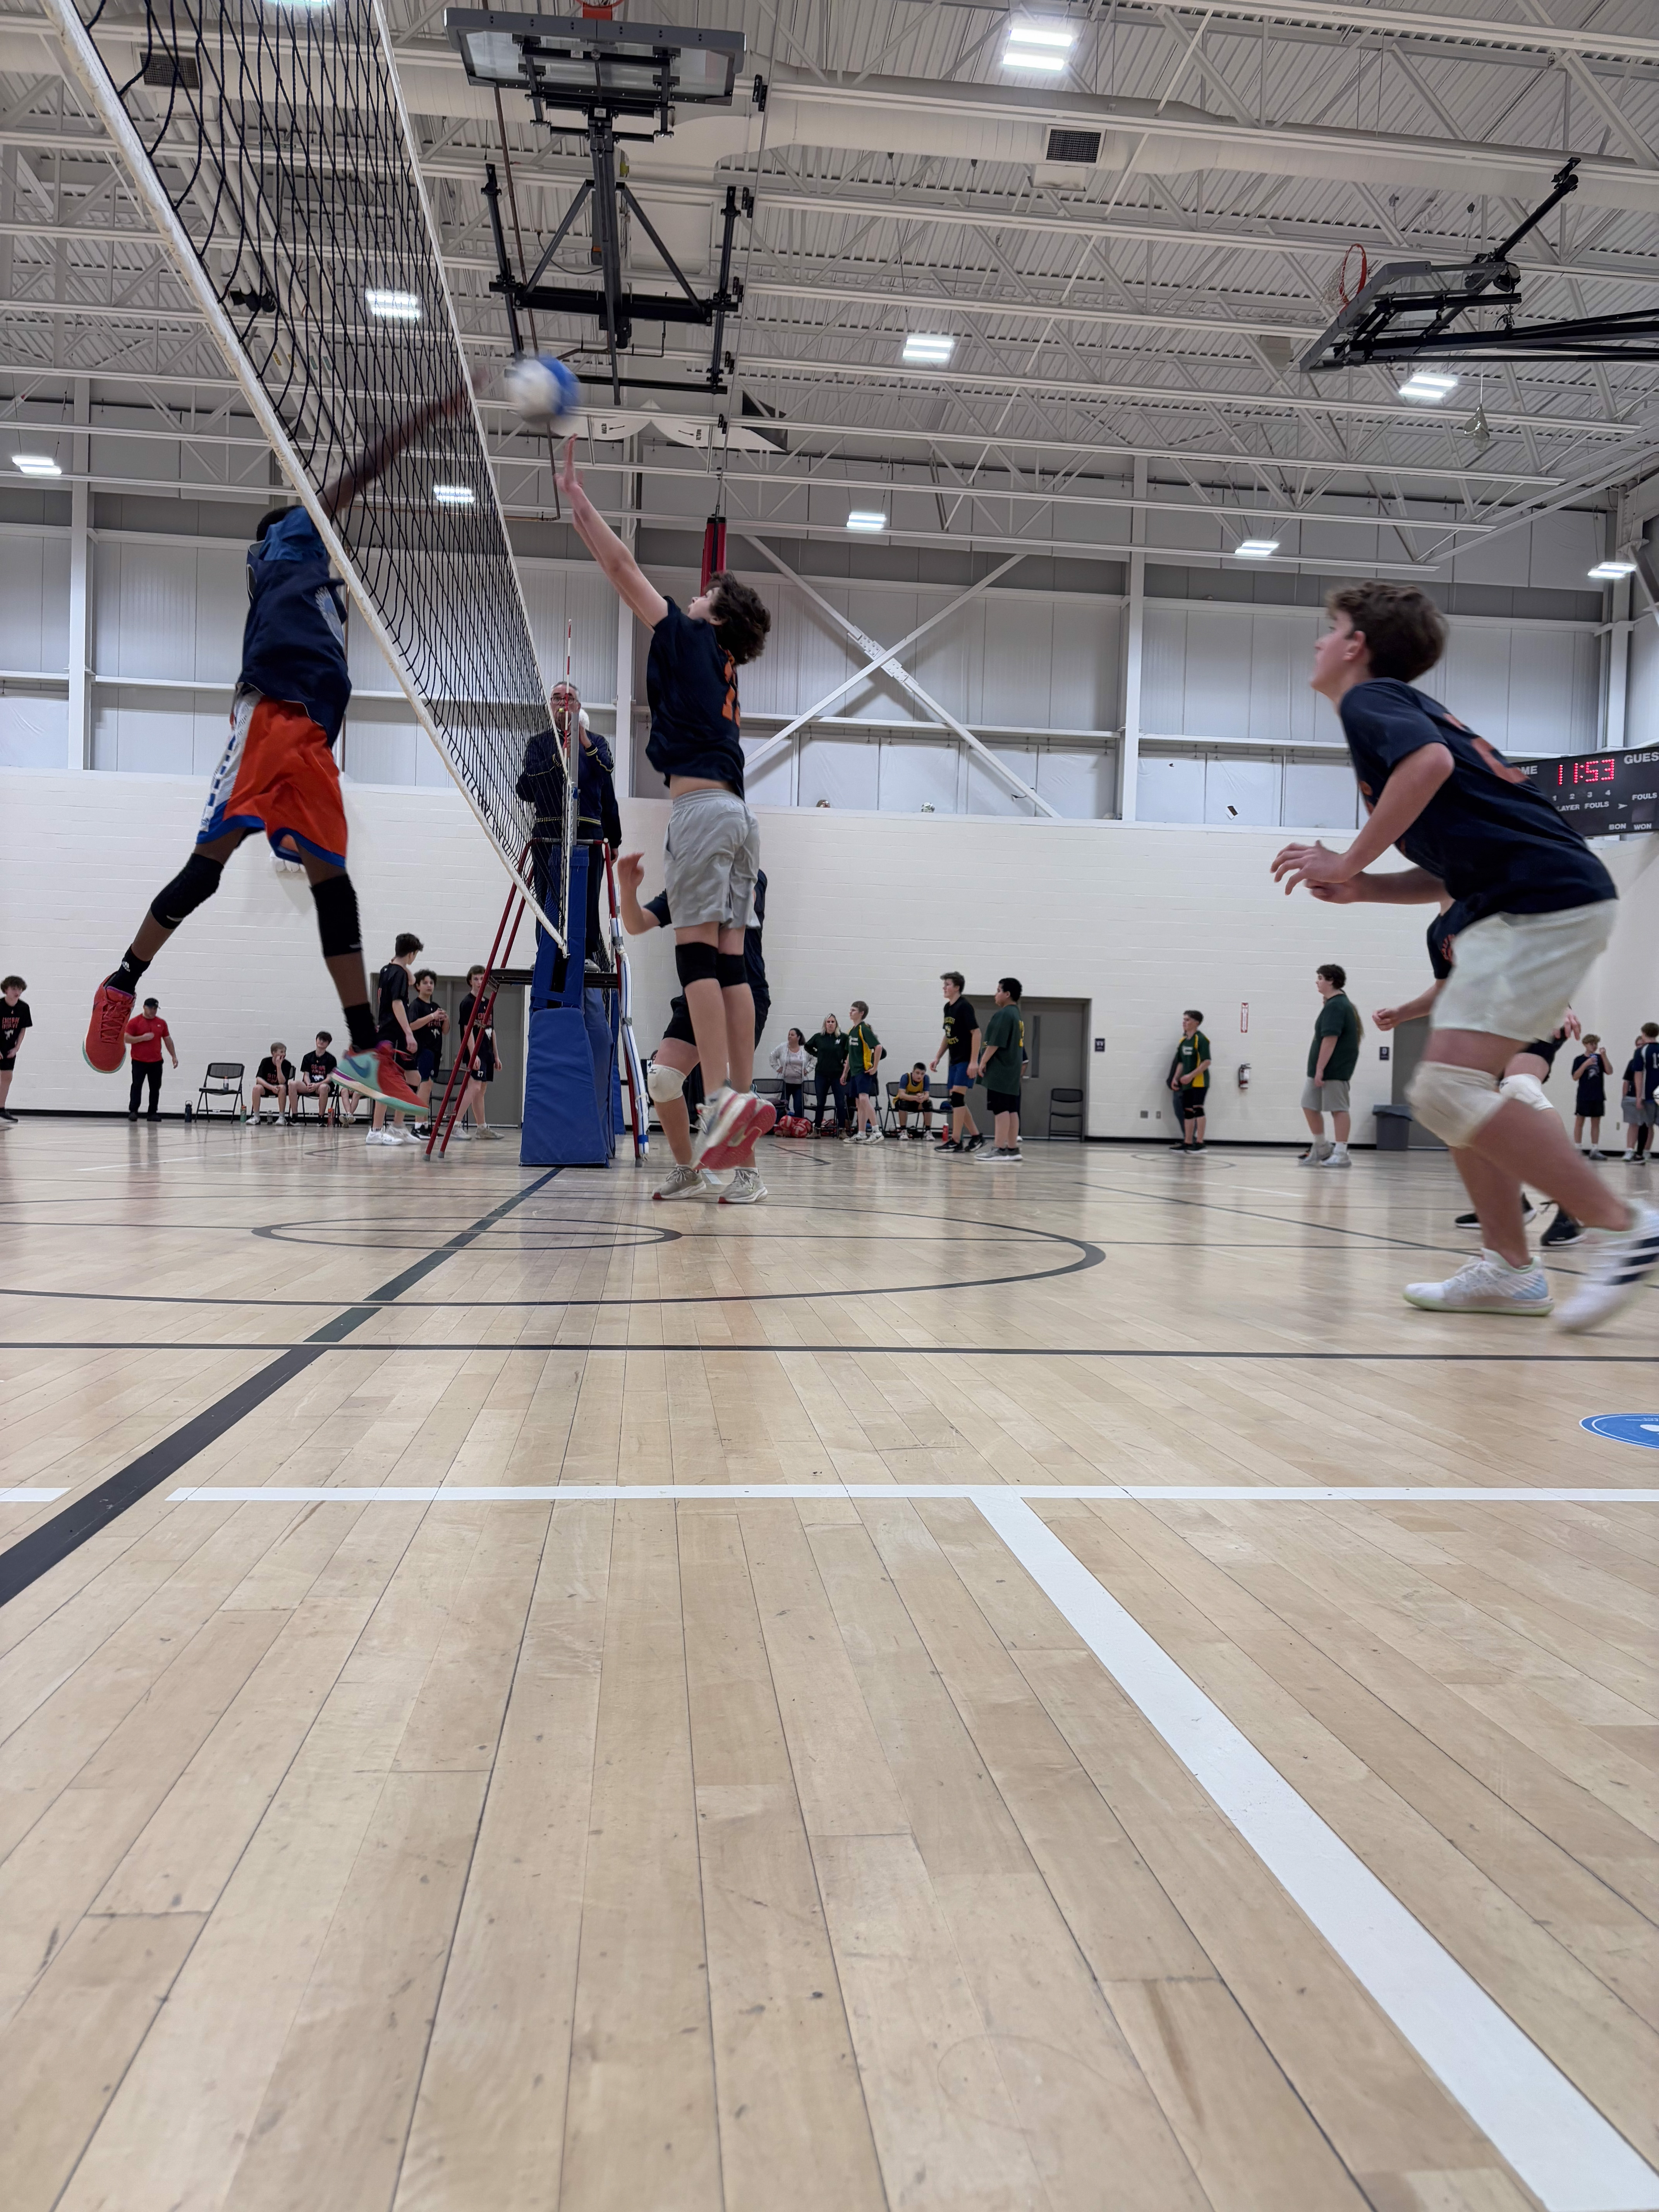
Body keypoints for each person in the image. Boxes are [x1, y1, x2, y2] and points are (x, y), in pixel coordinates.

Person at [1275, 578, 1657, 1329]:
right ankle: (1511, 1270)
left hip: (1540, 895)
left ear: (1357, 645)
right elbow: (1451, 867)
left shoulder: (1370, 702)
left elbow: (1430, 770)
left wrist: (1347, 862)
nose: (1319, 642)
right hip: (1523, 896)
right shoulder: (1401, 714)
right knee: (1454, 1093)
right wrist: (1366, 890)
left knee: (1448, 1090)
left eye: (1330, 628)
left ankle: (1625, 1222)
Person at [79, 393, 462, 1120]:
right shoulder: (288, 539)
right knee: (210, 867)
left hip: (313, 734)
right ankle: (122, 982)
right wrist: (416, 422)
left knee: (333, 883)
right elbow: (356, 475)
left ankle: (363, 1049)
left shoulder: (321, 587)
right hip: (270, 715)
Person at [557, 437, 773, 1171]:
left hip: (703, 815)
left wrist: (580, 504)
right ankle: (738, 1095)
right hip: (740, 816)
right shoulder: (722, 666)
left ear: (715, 614)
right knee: (733, 960)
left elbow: (621, 570)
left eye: (707, 591)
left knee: (695, 959)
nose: (694, 593)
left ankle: (721, 1101)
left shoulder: (687, 638)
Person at [617, 852, 770, 1204]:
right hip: (697, 993)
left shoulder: (749, 874)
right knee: (662, 1077)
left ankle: (749, 1176)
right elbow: (637, 923)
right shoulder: (688, 880)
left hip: (739, 990)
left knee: (727, 1088)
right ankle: (688, 1171)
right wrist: (628, 889)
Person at [517, 680, 623, 978]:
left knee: (588, 898)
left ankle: (587, 954)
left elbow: (607, 779)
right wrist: (559, 756)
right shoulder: (539, 744)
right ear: (550, 705)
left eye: (570, 699)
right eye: (557, 698)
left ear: (579, 706)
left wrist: (614, 839)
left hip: (588, 834)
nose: (563, 703)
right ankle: (546, 953)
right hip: (548, 833)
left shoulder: (597, 743)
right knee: (547, 897)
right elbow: (527, 783)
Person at [1300, 964, 1362, 1168]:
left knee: (1338, 1109)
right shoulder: (1333, 1004)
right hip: (1322, 1068)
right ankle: (1322, 1147)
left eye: (1320, 978)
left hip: (1334, 1069)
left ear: (1331, 981)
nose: (1317, 982)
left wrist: (1320, 1070)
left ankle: (1342, 1153)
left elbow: (1330, 1039)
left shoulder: (1338, 1005)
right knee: (1309, 1105)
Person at [367, 934, 422, 1146]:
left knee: (414, 1079)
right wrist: (409, 1033)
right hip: (393, 1034)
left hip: (391, 1033)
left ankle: (397, 1126)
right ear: (411, 954)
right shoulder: (397, 972)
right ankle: (375, 1131)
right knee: (388, 1082)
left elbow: (412, 980)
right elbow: (397, 1004)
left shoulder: (387, 970)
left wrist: (400, 961)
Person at [972, 979, 1026, 1161]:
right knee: (1012, 1110)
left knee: (1001, 1109)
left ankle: (999, 1148)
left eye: (998, 991)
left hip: (1001, 1071)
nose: (995, 995)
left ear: (1007, 994)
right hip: (1011, 1072)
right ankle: (1012, 1149)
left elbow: (995, 1043)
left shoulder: (1004, 1014)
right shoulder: (1017, 1015)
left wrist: (982, 1062)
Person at [931, 972, 982, 1153]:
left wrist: (974, 1062)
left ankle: (956, 1140)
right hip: (955, 1060)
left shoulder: (964, 1007)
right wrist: (938, 1057)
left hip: (966, 1060)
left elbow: (976, 1033)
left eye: (947, 984)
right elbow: (948, 1034)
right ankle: (976, 1137)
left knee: (957, 1099)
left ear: (957, 987)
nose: (944, 987)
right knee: (956, 1100)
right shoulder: (948, 1008)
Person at [455, 965, 503, 1141]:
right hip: (474, 1052)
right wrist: (473, 1054)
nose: (479, 982)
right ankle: (456, 1125)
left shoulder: (488, 1002)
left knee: (481, 1090)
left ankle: (482, 1128)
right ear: (470, 981)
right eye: (476, 979)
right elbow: (467, 1030)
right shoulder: (467, 1003)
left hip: (487, 1051)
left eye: (482, 978)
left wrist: (496, 1056)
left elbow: (492, 1030)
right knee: (474, 1087)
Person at [124, 996, 177, 1120]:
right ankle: (134, 1111)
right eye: (151, 1008)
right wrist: (142, 1038)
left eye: (156, 1008)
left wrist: (174, 1056)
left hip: (156, 1061)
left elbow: (168, 1040)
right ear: (144, 1008)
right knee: (137, 1085)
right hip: (139, 1061)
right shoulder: (135, 1022)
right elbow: (126, 1038)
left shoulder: (161, 1023)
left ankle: (152, 1112)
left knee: (155, 1087)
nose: (154, 1011)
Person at [1168, 1010, 1211, 1152]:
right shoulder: (1183, 1041)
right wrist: (1175, 1078)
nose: (1184, 1022)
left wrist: (1191, 1076)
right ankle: (1188, 1142)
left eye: (1188, 1020)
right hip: (1186, 1082)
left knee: (1198, 1109)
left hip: (1199, 1081)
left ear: (1196, 1023)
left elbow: (1207, 1062)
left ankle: (1200, 1143)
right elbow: (1181, 1062)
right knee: (1188, 1111)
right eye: (1184, 1020)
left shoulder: (1201, 1039)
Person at [409, 969, 447, 1121]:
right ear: (418, 986)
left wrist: (446, 1019)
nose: (429, 985)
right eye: (425, 983)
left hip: (436, 1051)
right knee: (424, 1085)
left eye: (431, 983)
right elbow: (412, 1025)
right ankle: (419, 1124)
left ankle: (424, 1124)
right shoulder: (416, 1006)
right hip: (424, 1050)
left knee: (429, 1087)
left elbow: (445, 1031)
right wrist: (432, 1016)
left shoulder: (436, 1006)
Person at [845, 1001, 884, 1143]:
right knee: (859, 1103)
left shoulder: (864, 1029)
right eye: (850, 1010)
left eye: (854, 1010)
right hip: (854, 1073)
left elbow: (878, 1047)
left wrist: (875, 1067)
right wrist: (845, 1073)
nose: (851, 1012)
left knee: (864, 1098)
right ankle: (861, 1133)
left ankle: (877, 1131)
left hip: (864, 1070)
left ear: (862, 1013)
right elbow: (850, 1055)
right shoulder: (851, 1031)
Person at [806, 1015, 849, 1136]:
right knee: (820, 1103)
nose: (830, 1024)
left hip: (837, 1075)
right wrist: (817, 1054)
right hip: (821, 1074)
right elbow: (807, 1046)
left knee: (840, 1103)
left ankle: (842, 1131)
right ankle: (817, 1130)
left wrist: (845, 1061)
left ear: (836, 1024)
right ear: (825, 1024)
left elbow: (849, 1051)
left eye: (833, 1022)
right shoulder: (819, 1037)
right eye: (828, 1022)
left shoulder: (843, 1037)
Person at [1625, 1022, 1659, 1166]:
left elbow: (1638, 1075)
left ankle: (1639, 1156)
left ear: (1644, 1034)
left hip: (1649, 1094)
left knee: (1645, 1124)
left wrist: (1638, 1097)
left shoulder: (1641, 1051)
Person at [1572, 1034, 1611, 1158]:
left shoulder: (1600, 1059)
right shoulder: (1579, 1060)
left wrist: (1604, 1056)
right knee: (1580, 1121)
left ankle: (1595, 1149)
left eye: (1595, 1044)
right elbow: (1575, 1077)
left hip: (1598, 1095)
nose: (1594, 1047)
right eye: (1591, 1044)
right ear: (1585, 1045)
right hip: (1584, 1095)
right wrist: (1586, 1064)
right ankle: (1578, 1148)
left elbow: (1610, 1071)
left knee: (1596, 1122)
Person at [0, 975, 31, 1124]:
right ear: (6, 990)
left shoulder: (23, 1008)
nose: (17, 991)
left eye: (19, 989)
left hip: (9, 1049)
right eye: (14, 988)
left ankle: (1, 1108)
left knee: (7, 1077)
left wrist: (16, 1049)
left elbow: (22, 1030)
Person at [296, 1031, 342, 1123]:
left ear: (328, 1044)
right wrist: (309, 1084)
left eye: (324, 1041)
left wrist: (316, 1086)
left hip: (323, 1086)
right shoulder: (308, 1057)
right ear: (316, 1040)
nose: (321, 1042)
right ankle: (294, 1117)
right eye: (320, 1039)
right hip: (310, 1085)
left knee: (323, 1087)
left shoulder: (331, 1059)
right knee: (293, 1084)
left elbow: (329, 1078)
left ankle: (321, 1118)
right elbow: (306, 1075)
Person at [247, 1042, 295, 1124]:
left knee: (283, 1087)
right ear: (274, 1053)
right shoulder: (265, 1061)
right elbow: (259, 1079)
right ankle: (256, 1117)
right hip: (267, 1088)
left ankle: (281, 1117)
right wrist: (271, 1088)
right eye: (282, 1052)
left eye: (285, 1052)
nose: (284, 1054)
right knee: (257, 1088)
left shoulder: (287, 1064)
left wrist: (279, 1066)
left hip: (279, 1089)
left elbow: (282, 1082)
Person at [769, 1029, 809, 1122]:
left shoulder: (805, 1049)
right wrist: (777, 1067)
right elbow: (772, 1056)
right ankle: (779, 1126)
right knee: (782, 1107)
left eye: (792, 1035)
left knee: (799, 1107)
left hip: (800, 1084)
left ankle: (799, 1126)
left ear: (798, 1037)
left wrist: (808, 1069)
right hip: (785, 1084)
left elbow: (815, 1058)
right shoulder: (783, 1047)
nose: (790, 1036)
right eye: (789, 1035)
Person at [893, 1063, 934, 1140]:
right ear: (913, 1072)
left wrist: (922, 1098)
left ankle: (928, 1131)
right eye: (918, 1073)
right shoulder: (906, 1077)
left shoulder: (926, 1079)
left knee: (928, 1103)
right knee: (903, 1102)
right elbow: (902, 1095)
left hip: (917, 1103)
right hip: (903, 1103)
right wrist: (915, 1098)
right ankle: (903, 1130)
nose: (920, 1076)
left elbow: (927, 1095)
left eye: (922, 1074)